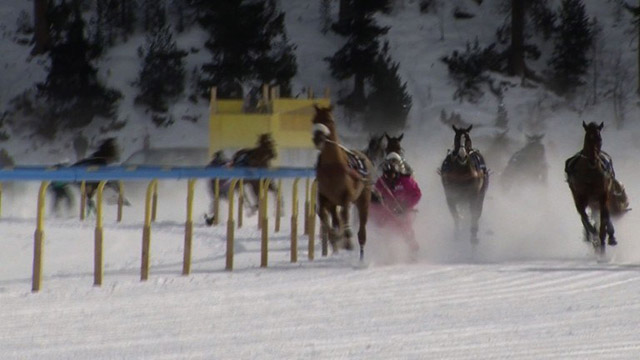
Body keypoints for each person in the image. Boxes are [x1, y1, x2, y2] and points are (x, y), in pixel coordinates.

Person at [370, 152, 422, 250]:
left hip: (404, 211)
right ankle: (391, 252)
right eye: (387, 174)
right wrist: (375, 200)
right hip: (388, 211)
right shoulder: (381, 182)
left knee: (405, 228)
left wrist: (405, 205)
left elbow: (417, 194)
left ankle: (412, 249)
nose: (389, 177)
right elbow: (375, 195)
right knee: (386, 230)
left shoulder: (406, 181)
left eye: (391, 174)